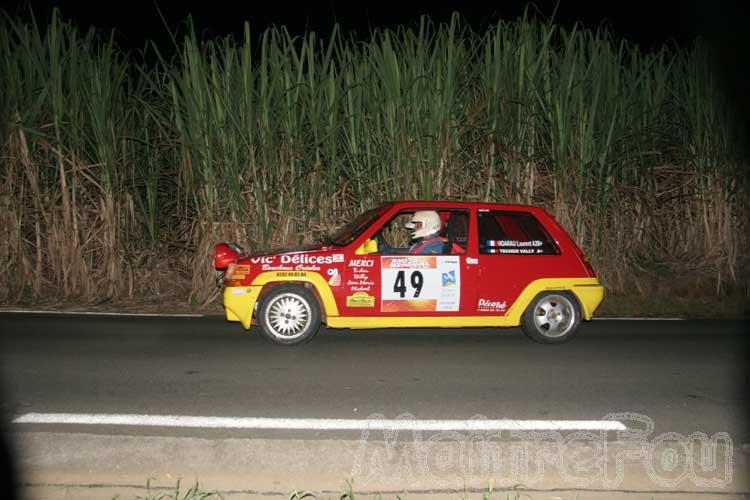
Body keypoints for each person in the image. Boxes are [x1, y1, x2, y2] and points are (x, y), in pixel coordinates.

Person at [377, 210, 455, 255]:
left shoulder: (434, 245)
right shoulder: (424, 242)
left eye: (418, 224)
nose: (414, 228)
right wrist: (389, 251)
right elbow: (410, 252)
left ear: (429, 224)